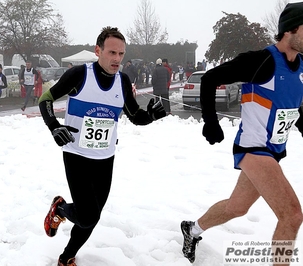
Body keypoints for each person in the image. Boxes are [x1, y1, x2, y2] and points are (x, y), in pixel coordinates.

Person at [181, 3, 303, 264]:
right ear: (291, 29)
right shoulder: (261, 61)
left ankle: (192, 229)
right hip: (253, 148)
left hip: (274, 152)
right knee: (292, 215)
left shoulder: (301, 67)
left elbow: (293, 106)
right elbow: (210, 78)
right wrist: (210, 121)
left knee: (237, 207)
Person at [39, 26, 166, 266]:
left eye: (121, 54)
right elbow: (45, 99)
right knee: (87, 215)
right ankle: (61, 208)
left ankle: (67, 257)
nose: (117, 59)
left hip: (105, 157)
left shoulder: (123, 80)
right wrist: (54, 126)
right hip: (76, 153)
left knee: (93, 215)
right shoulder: (79, 75)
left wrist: (150, 116)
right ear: (98, 51)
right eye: (112, 52)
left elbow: (134, 114)